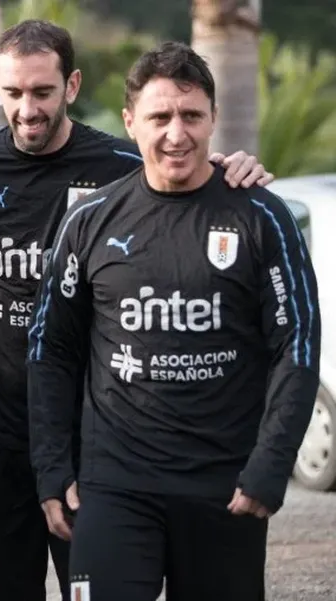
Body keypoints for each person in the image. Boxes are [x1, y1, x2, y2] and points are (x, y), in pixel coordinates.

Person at [0, 19, 274, 601]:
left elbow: (184, 174)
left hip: (90, 447)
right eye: (15, 93)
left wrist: (228, 170)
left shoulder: (123, 167)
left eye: (43, 92)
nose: (28, 109)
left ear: (71, 86)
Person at [27, 41, 320, 600]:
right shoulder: (88, 221)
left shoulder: (261, 216)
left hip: (224, 490)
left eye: (191, 116)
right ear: (130, 121)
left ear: (214, 119)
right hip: (112, 488)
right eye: (160, 117)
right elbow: (51, 352)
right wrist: (50, 467)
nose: (176, 134)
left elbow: (297, 346)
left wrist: (270, 466)